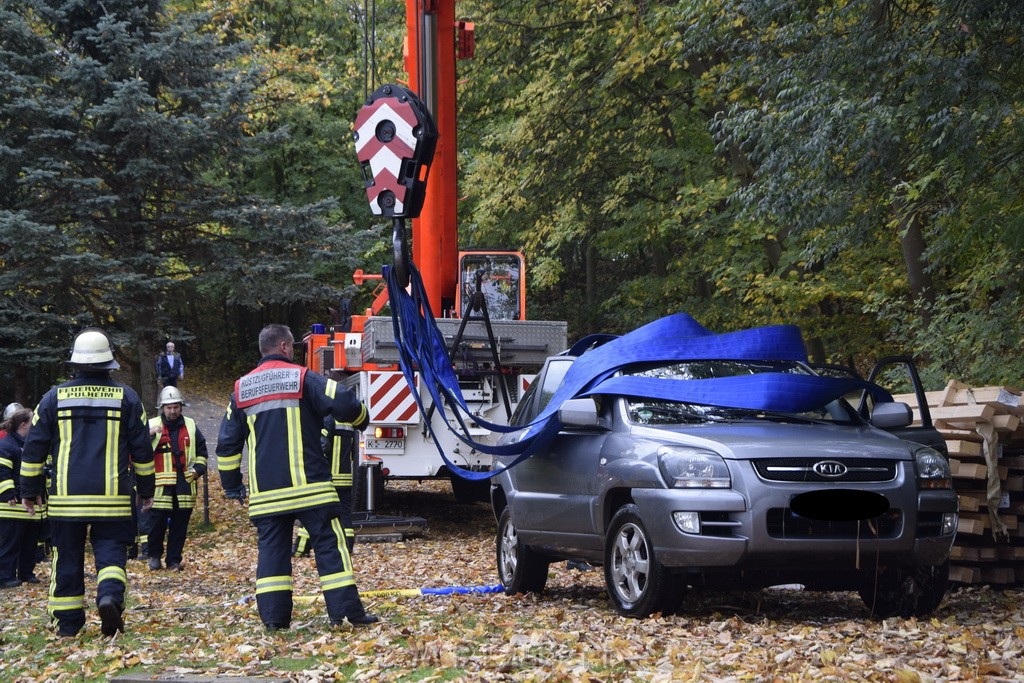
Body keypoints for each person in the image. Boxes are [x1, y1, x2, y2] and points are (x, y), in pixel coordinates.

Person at [217, 323, 377, 631]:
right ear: (285, 347)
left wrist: (232, 485)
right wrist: (361, 418)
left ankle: (275, 619)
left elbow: (226, 446)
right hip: (311, 490)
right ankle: (344, 612)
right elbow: (343, 401)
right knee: (330, 547)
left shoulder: (241, 389)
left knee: (272, 555)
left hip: (267, 497)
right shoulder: (303, 378)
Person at [21, 328, 155, 637]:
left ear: (76, 363)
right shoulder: (128, 398)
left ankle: (68, 625)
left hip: (66, 501)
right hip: (113, 498)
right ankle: (109, 595)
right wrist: (147, 491)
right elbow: (143, 453)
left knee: (66, 557)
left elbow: (34, 449)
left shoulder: (53, 398)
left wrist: (29, 491)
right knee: (111, 553)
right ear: (109, 362)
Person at [146, 385, 208, 571]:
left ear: (181, 407)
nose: (172, 411)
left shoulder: (190, 425)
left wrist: (197, 470)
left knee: (180, 525)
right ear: (162, 408)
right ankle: (154, 556)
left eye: (175, 407)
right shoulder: (150, 426)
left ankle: (173, 560)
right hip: (160, 485)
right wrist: (147, 437)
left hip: (185, 483)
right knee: (157, 524)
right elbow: (138, 453)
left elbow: (202, 453)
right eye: (168, 407)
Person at [0, 408, 43, 588]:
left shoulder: (28, 444)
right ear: (23, 424)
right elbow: (2, 472)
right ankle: (5, 576)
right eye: (32, 420)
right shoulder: (7, 445)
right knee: (10, 544)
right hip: (12, 506)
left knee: (29, 543)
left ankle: (26, 573)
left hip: (28, 505)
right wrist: (9, 493)